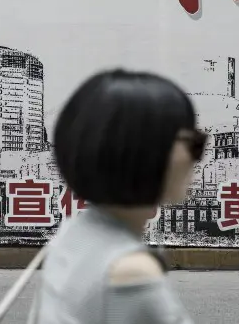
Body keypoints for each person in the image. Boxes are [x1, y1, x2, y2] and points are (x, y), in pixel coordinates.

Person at [35, 69, 203, 323]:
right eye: (194, 143)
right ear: (145, 151)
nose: (196, 158)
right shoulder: (131, 272)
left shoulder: (74, 233)